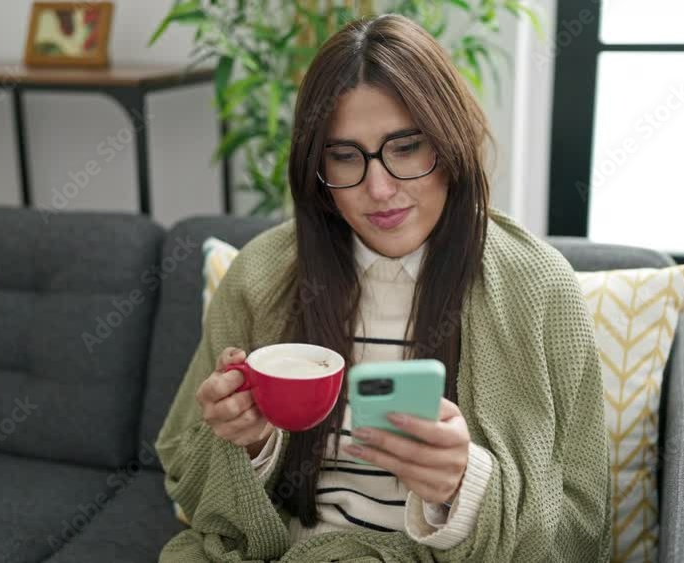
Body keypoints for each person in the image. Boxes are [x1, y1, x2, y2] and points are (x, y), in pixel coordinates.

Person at [155, 13, 612, 563]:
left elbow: (584, 527)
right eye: (345, 156)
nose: (379, 188)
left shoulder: (538, 288)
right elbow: (185, 467)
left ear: (451, 141)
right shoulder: (262, 275)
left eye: (406, 147)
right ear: (316, 170)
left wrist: (465, 487)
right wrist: (249, 443)